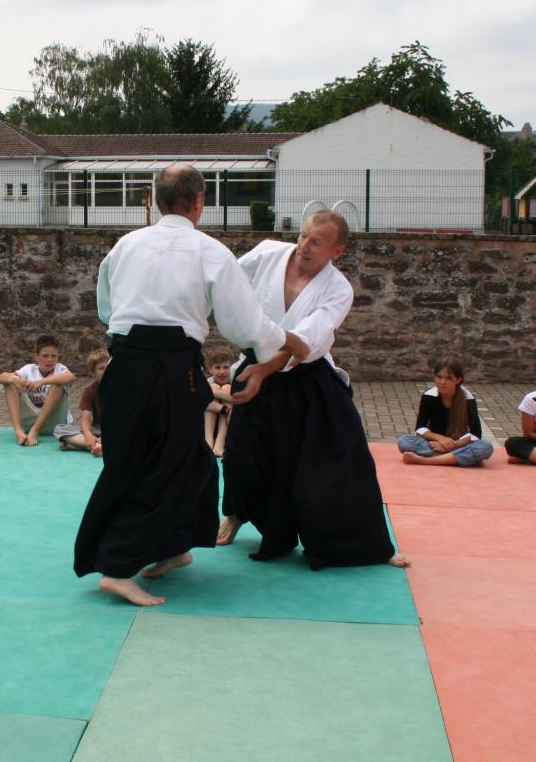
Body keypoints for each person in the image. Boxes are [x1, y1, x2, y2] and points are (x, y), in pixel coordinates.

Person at [73, 163, 310, 607]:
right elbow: (242, 325)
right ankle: (118, 567)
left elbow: (107, 309)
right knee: (162, 464)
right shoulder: (210, 252)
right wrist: (284, 343)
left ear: (157, 200)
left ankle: (171, 545)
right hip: (169, 366)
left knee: (190, 460)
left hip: (123, 362)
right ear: (199, 201)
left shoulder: (125, 245)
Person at [218, 211, 407, 570]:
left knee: (336, 462)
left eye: (316, 241)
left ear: (337, 251)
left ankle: (365, 545)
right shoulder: (268, 254)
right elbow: (225, 283)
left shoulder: (339, 290)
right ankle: (237, 514)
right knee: (243, 456)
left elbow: (306, 342)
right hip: (256, 365)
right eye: (303, 236)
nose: (304, 246)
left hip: (308, 380)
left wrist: (264, 364)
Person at [396, 357, 494, 467]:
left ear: (458, 380)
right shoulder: (429, 396)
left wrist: (454, 445)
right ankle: (459, 458)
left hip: (459, 444)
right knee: (404, 441)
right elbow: (420, 428)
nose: (442, 382)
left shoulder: (468, 399)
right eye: (439, 377)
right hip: (433, 443)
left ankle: (428, 460)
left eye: (448, 378)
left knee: (486, 447)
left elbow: (476, 434)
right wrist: (441, 439)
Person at [0, 334, 75, 446]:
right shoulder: (28, 370)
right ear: (36, 357)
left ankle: (35, 430)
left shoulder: (60, 368)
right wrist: (13, 378)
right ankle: (18, 430)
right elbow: (1, 377)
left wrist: (41, 382)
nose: (50, 359)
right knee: (10, 384)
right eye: (45, 356)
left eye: (54, 356)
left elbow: (71, 377)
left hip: (55, 424)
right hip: (30, 422)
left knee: (60, 383)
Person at [55, 348, 109, 456]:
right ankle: (100, 446)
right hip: (97, 429)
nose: (106, 371)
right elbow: (85, 420)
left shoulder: (121, 389)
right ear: (93, 373)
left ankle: (91, 446)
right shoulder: (90, 391)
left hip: (117, 429)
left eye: (109, 367)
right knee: (60, 429)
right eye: (101, 368)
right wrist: (88, 434)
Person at [203, 347, 236, 457]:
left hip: (229, 422)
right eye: (217, 367)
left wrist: (211, 393)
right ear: (210, 370)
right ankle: (209, 440)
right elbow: (200, 400)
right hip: (214, 418)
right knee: (214, 386)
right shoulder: (208, 382)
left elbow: (237, 398)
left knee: (227, 388)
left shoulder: (235, 381)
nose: (222, 372)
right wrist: (223, 409)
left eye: (226, 367)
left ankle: (220, 441)